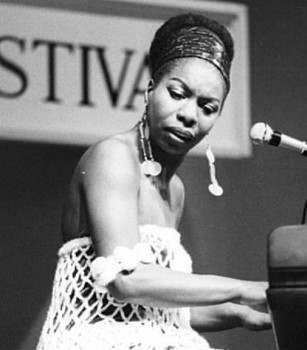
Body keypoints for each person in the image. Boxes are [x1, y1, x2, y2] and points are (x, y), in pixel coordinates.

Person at [37, 13, 271, 350]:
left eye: (208, 107)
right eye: (178, 94)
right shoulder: (113, 157)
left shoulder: (174, 191)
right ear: (150, 91)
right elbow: (125, 281)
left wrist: (239, 314)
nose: (190, 114)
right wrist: (243, 288)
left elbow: (156, 308)